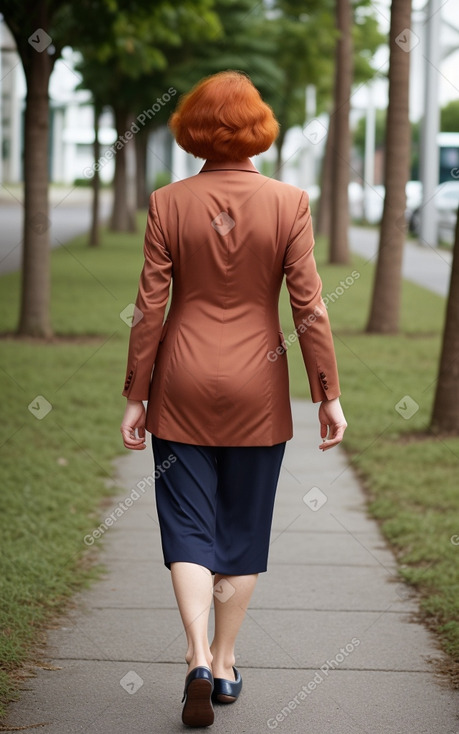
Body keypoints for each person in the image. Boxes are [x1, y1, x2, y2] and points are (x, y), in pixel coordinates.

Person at [120, 70, 347, 728]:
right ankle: (223, 665)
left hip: (181, 382)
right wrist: (326, 394)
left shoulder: (167, 202)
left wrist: (136, 395)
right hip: (258, 385)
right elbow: (309, 309)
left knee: (188, 529)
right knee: (241, 532)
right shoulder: (288, 202)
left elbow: (147, 311)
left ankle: (192, 656)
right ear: (259, 130)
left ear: (192, 130)